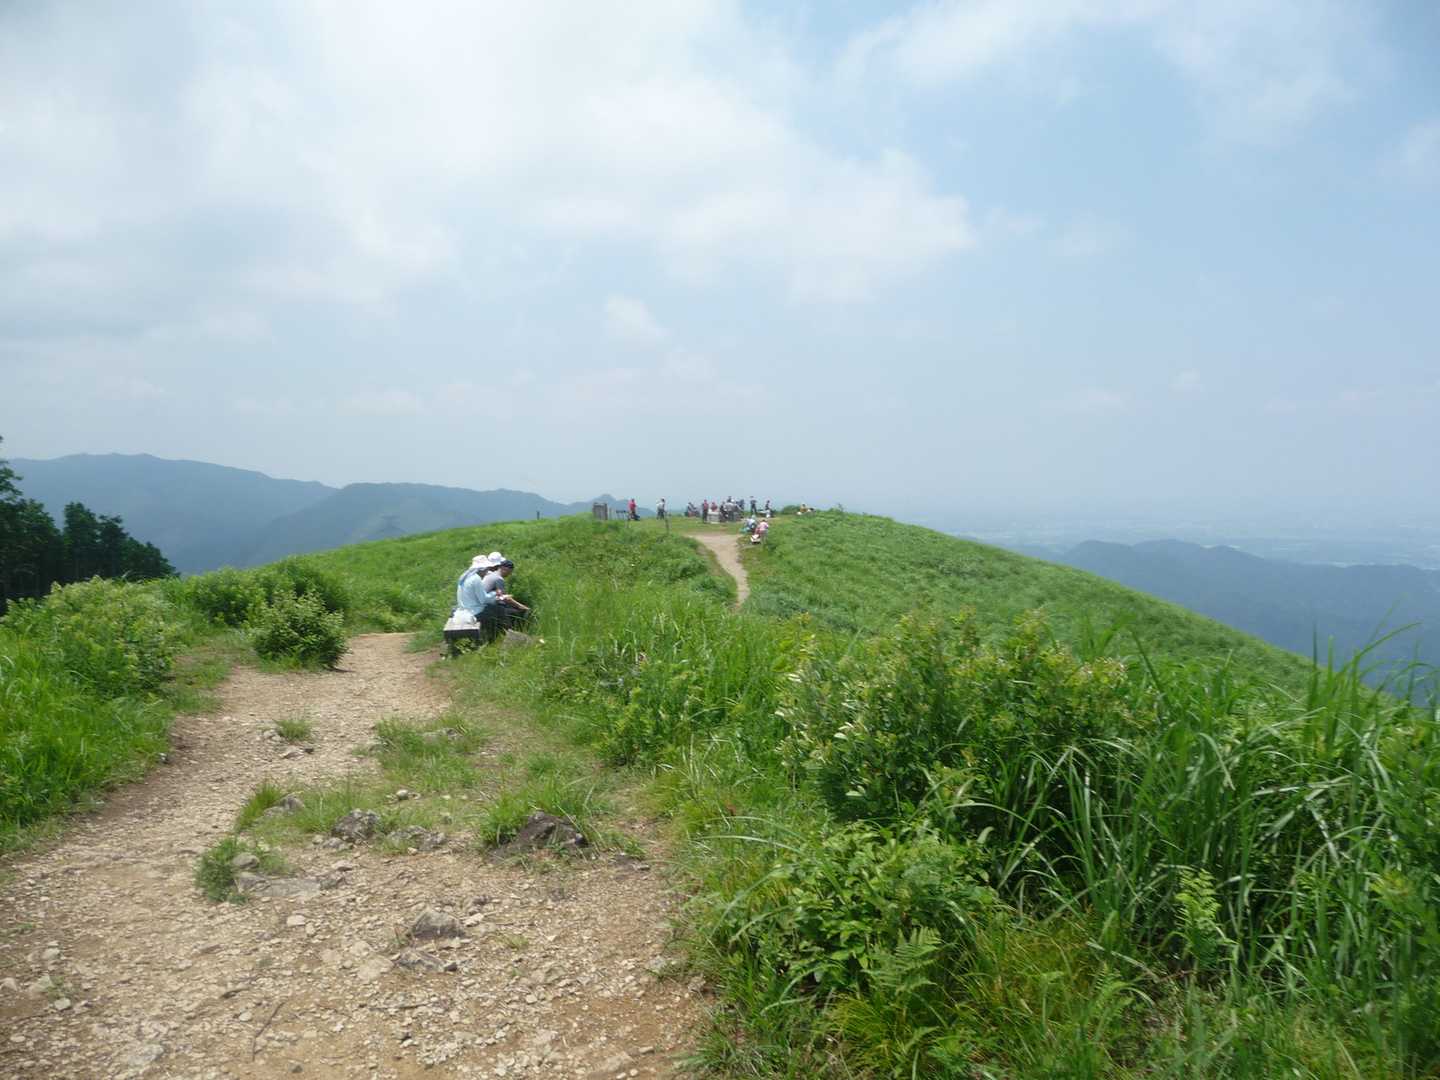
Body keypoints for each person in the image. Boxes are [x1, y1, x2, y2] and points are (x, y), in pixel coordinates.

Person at [480, 557, 530, 632]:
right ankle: (512, 631)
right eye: (510, 572)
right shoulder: (499, 579)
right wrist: (521, 606)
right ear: (504, 569)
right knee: (516, 612)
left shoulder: (491, 574)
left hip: (483, 602)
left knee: (510, 608)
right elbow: (505, 598)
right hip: (486, 606)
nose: (509, 574)